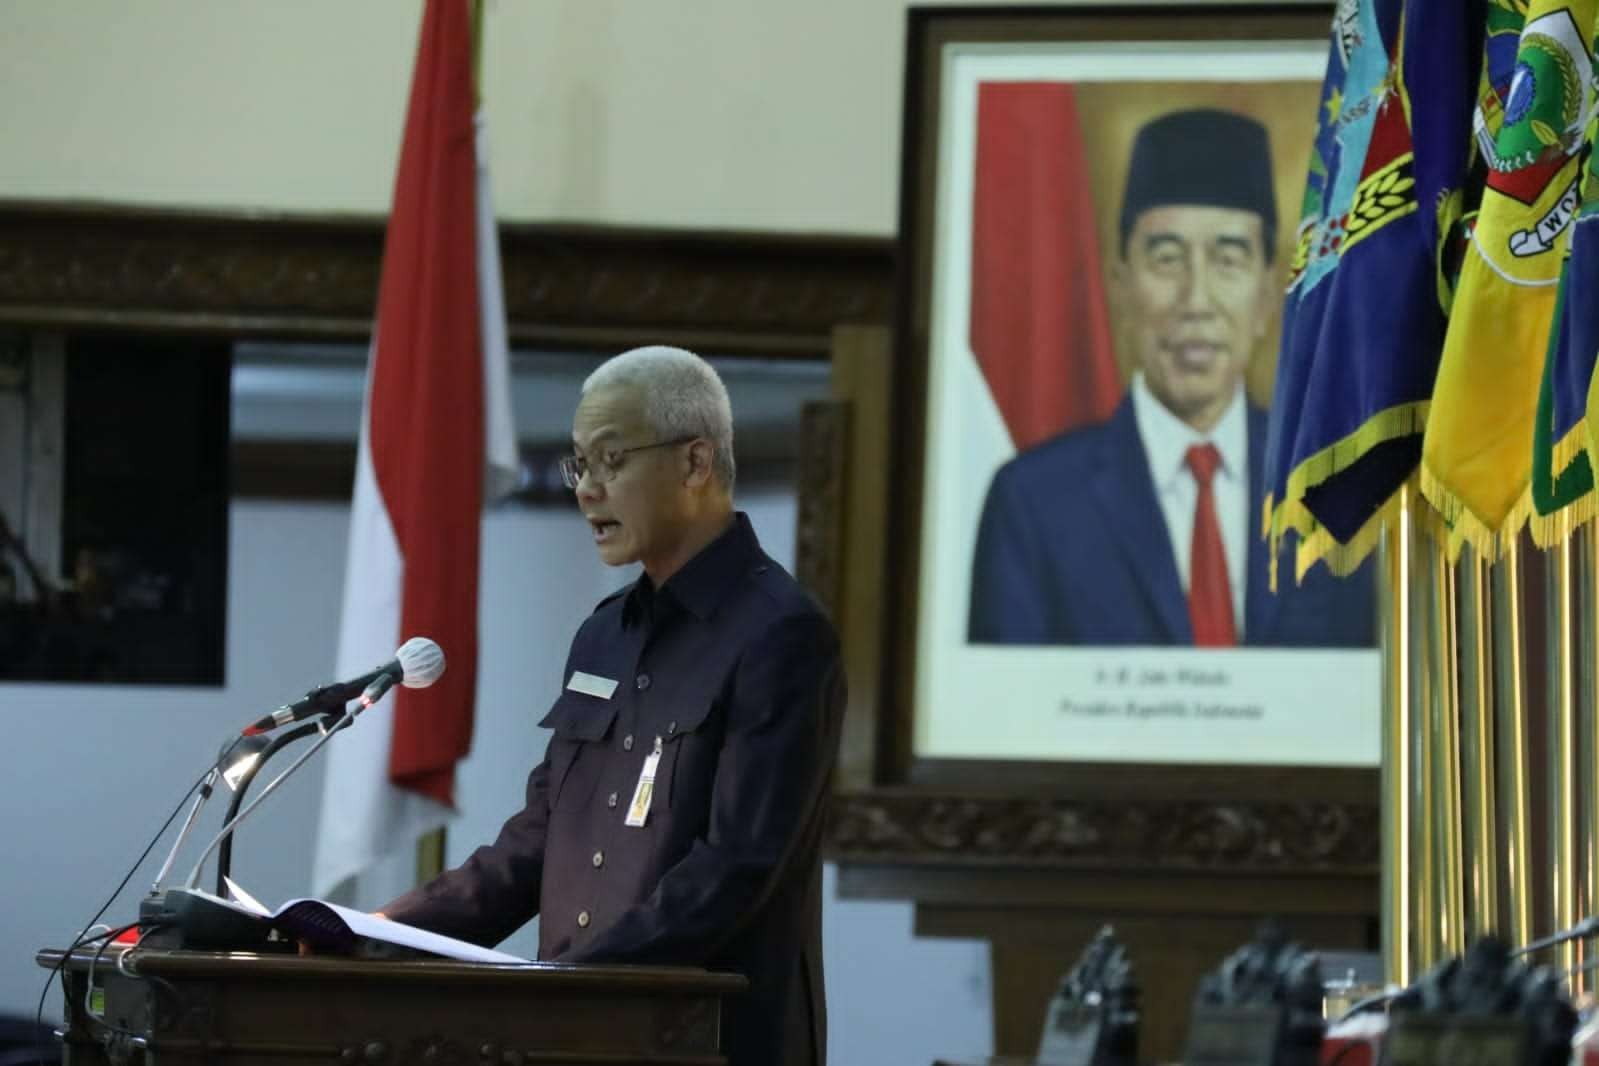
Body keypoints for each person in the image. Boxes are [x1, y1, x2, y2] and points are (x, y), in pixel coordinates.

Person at [381, 346, 846, 1066]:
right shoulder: (603, 635)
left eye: (610, 460)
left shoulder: (780, 633)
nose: (587, 490)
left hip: (706, 1042)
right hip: (575, 1035)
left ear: (694, 464)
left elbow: (734, 868)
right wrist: (378, 934)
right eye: (579, 465)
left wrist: (574, 982)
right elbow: (536, 843)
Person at [968, 108, 1373, 647]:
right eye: (1166, 258)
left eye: (1228, 259)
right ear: (1121, 287)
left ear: (1267, 296)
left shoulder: (1331, 494)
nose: (1196, 301)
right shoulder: (1033, 505)